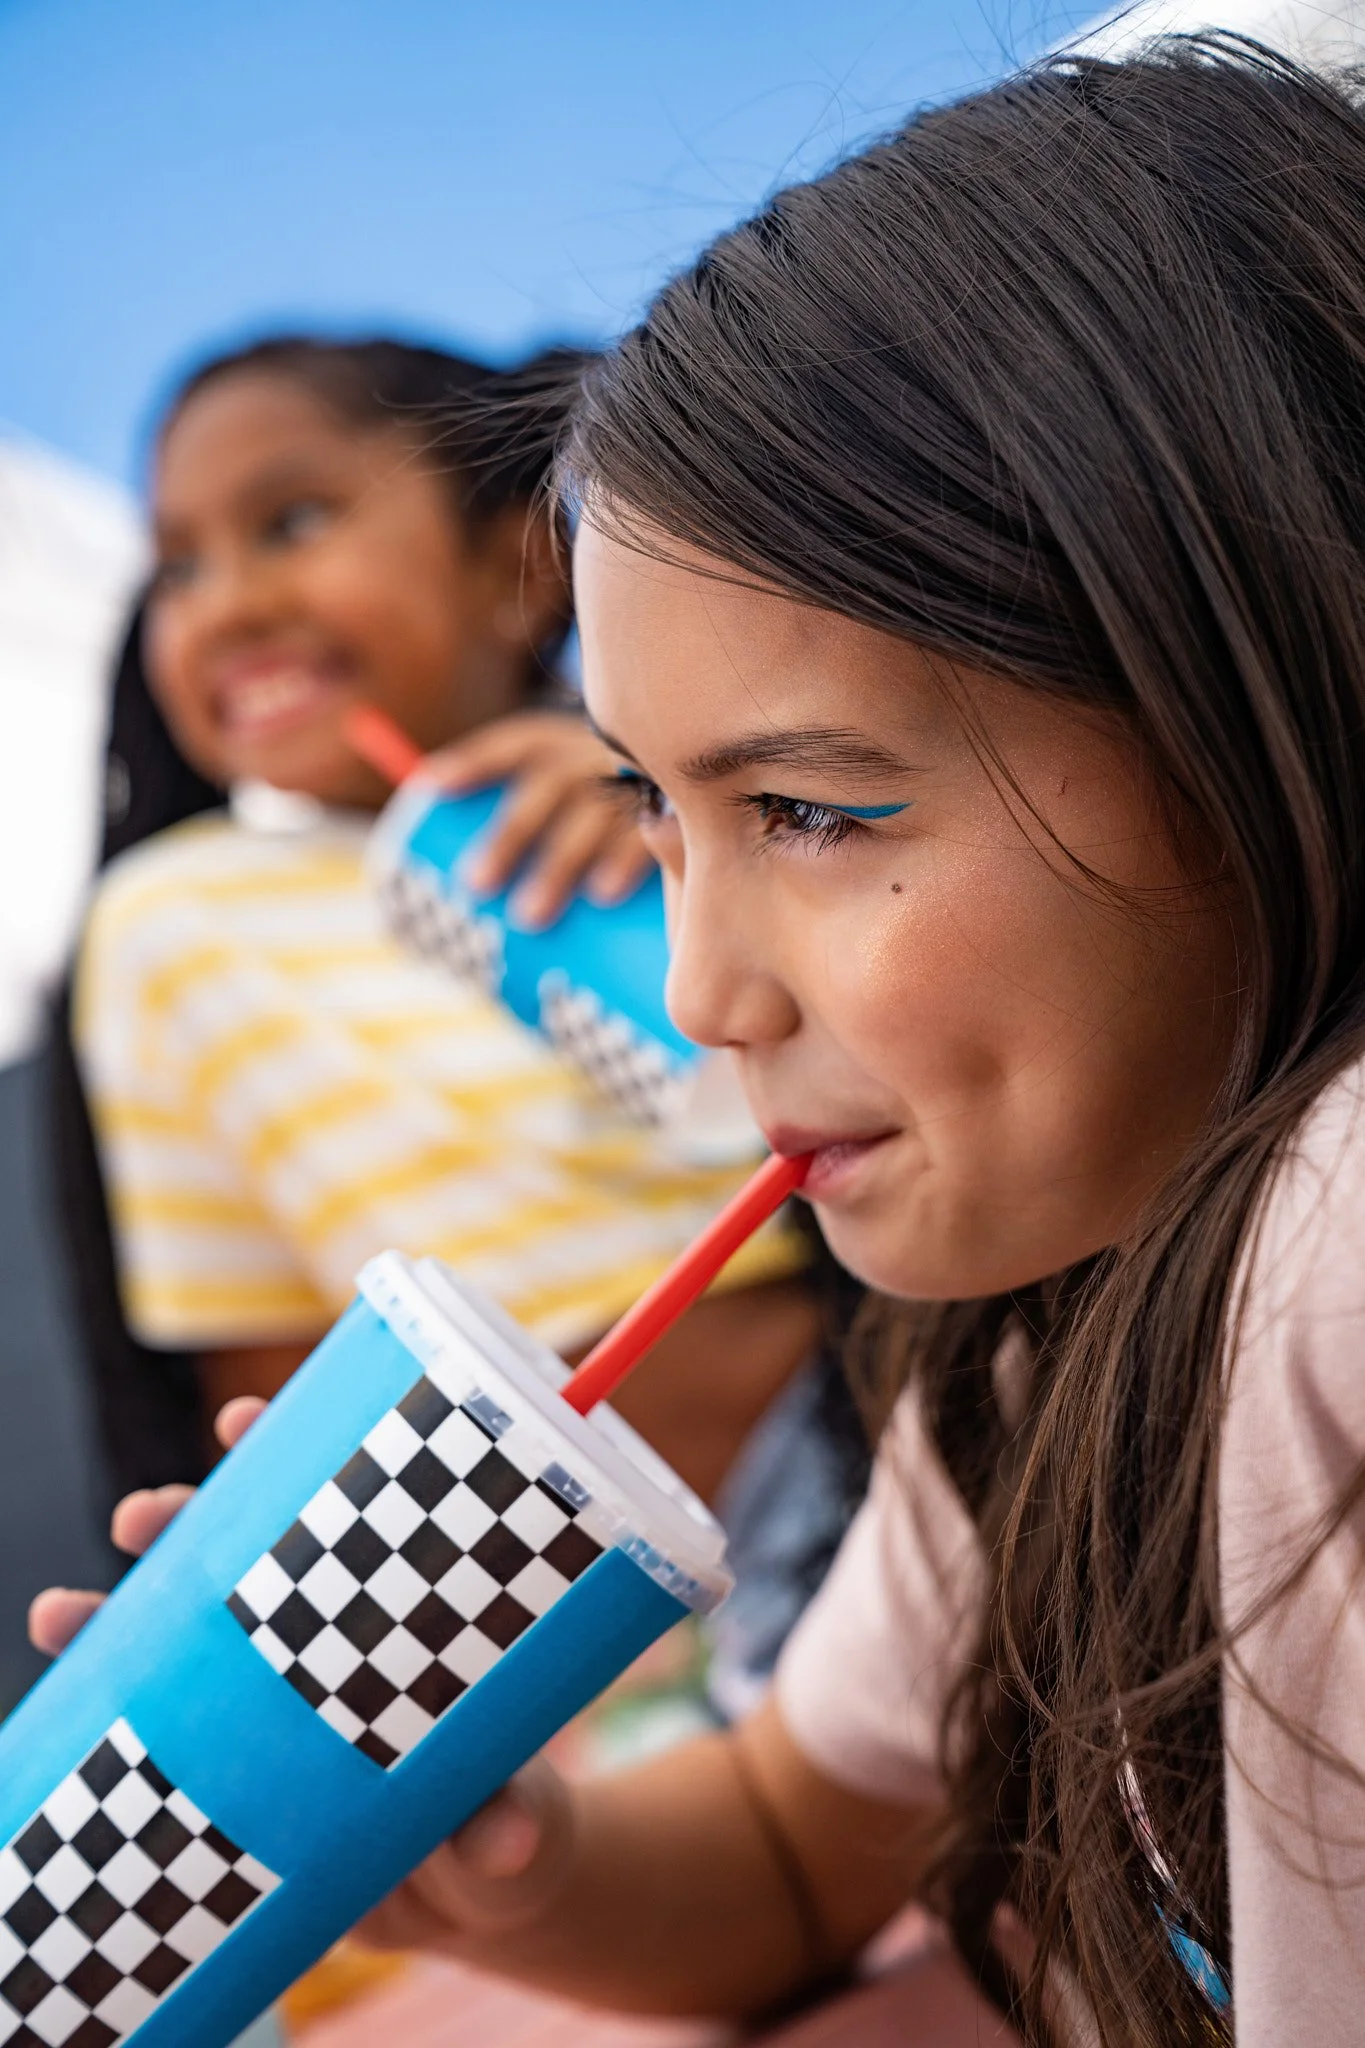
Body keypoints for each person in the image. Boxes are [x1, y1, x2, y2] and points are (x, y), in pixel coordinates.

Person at [41, 33, 1365, 2042]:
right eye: (655, 814)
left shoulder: (1326, 1245)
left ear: (1269, 695)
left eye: (815, 810)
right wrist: (464, 1835)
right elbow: (775, 1854)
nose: (696, 993)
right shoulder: (1017, 1352)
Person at [53, 335, 830, 1511]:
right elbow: (271, 1377)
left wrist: (676, 806)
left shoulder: (676, 804)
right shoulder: (177, 924)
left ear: (513, 563)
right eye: (177, 569)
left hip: (897, 1432)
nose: (231, 605)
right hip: (558, 1583)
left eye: (294, 521)